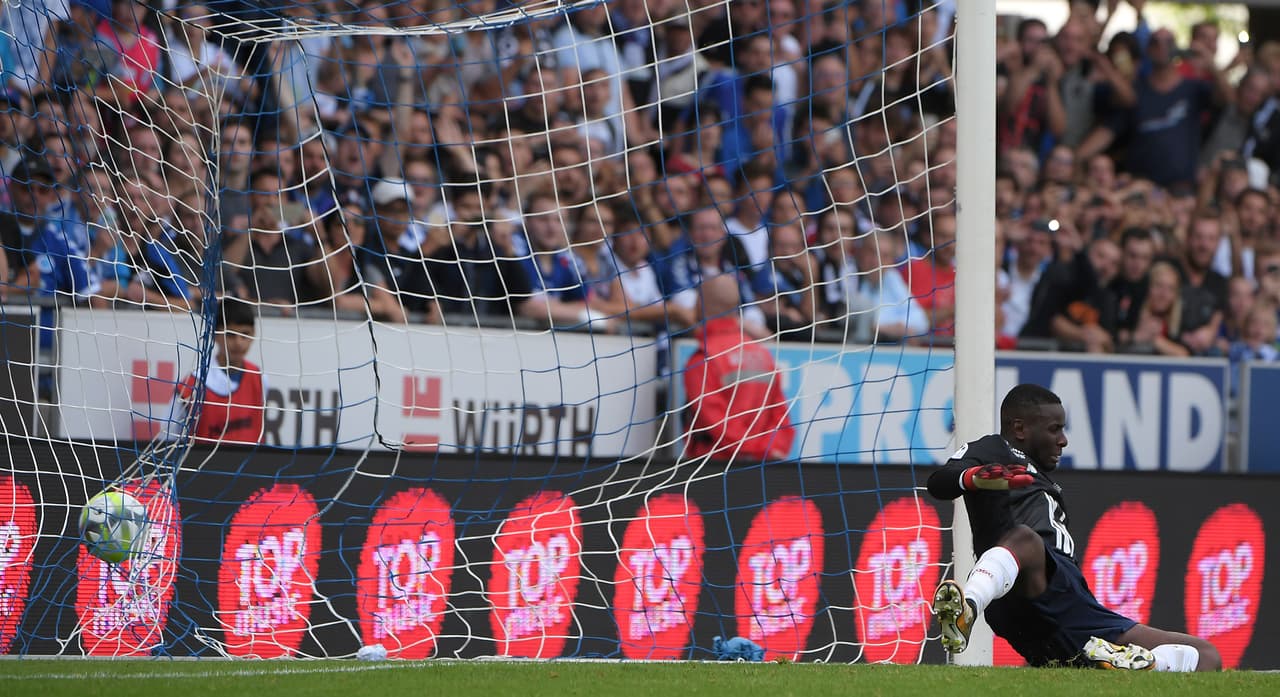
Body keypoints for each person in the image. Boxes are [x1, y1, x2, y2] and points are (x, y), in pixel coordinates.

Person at [929, 384, 1222, 672]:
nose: (1063, 440)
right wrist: (975, 478)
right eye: (1054, 429)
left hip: (1064, 609)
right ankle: (966, 610)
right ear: (1019, 429)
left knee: (1207, 656)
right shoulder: (994, 449)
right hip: (1025, 585)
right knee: (1026, 541)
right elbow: (940, 481)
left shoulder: (1044, 481)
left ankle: (1135, 663)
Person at [682, 273, 793, 463]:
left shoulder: (704, 358)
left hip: (712, 470)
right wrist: (768, 450)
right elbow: (781, 419)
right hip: (762, 469)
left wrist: (754, 450)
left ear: (700, 304)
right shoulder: (761, 354)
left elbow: (717, 425)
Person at [172, 298, 265, 444]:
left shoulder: (259, 378)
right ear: (215, 334)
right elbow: (168, 437)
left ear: (253, 334)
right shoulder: (191, 386)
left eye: (245, 334)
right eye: (230, 334)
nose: (238, 342)